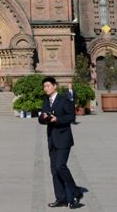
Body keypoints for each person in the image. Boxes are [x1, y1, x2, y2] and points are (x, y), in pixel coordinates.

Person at [39, 77, 83, 209]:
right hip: (52, 140)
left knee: (60, 166)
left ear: (54, 86)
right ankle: (61, 198)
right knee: (54, 171)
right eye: (44, 86)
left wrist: (57, 119)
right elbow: (41, 119)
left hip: (64, 140)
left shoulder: (64, 99)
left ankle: (76, 192)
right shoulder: (46, 101)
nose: (46, 88)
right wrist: (44, 117)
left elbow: (71, 117)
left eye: (48, 86)